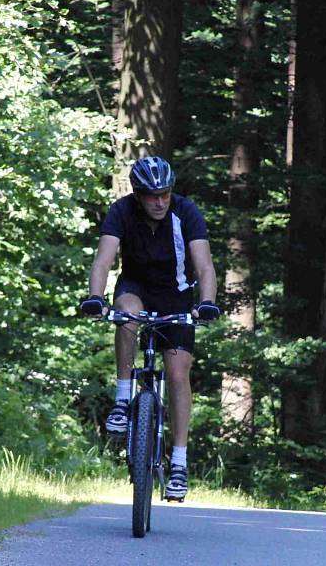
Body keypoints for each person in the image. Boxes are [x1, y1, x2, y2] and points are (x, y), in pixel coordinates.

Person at [79, 156, 220, 501]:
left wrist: (207, 302)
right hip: (137, 287)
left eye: (165, 194)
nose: (159, 202)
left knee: (176, 373)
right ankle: (123, 397)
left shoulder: (186, 212)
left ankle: (179, 465)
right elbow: (103, 260)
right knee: (125, 314)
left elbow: (204, 266)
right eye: (151, 195)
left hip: (177, 295)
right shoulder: (122, 211)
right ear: (138, 195)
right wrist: (95, 297)